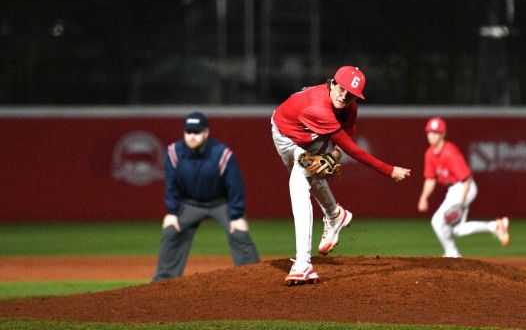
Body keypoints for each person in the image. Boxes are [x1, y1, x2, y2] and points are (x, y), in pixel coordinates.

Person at [271, 65, 412, 285]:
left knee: (299, 184)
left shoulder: (349, 108)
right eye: (342, 89)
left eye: (351, 94)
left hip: (310, 139)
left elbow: (342, 146)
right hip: (283, 136)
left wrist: (333, 156)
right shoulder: (320, 107)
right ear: (332, 83)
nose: (345, 96)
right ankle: (335, 215)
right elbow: (352, 150)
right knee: (312, 177)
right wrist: (388, 170)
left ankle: (303, 263)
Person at [152, 111, 260, 281]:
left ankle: (254, 278)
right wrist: (172, 212)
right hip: (189, 204)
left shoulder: (222, 153)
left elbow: (235, 186)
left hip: (220, 203)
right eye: (189, 132)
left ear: (206, 132)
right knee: (171, 231)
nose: (192, 136)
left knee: (239, 232)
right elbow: (171, 185)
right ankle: (163, 282)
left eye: (197, 132)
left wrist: (237, 216)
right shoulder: (174, 152)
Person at [417, 117, 510, 258]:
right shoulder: (429, 154)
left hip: (464, 187)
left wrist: (460, 203)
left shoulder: (450, 152)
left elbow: (467, 179)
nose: (432, 136)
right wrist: (424, 198)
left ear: (443, 134)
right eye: (429, 132)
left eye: (436, 133)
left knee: (437, 221)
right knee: (457, 229)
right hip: (454, 189)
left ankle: (452, 254)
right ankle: (496, 226)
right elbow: (430, 179)